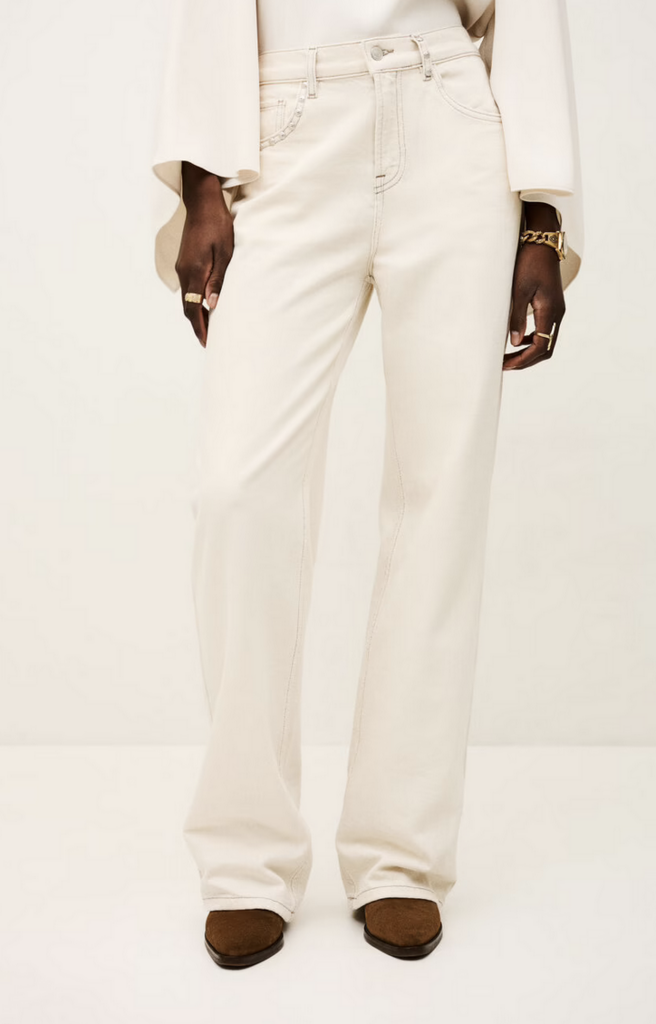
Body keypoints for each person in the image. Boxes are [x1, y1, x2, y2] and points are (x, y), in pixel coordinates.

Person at [151, 0, 583, 968]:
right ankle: (246, 857)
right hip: (287, 129)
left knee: (440, 496)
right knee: (236, 491)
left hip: (451, 121)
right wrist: (202, 182)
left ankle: (401, 855)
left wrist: (543, 219)